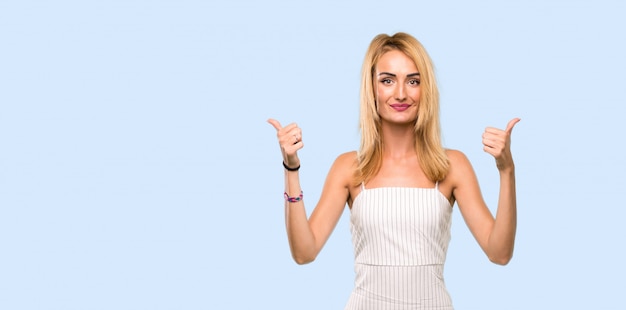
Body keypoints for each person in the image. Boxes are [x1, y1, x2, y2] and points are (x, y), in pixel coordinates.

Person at [268, 32, 519, 310]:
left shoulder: (452, 166)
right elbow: (304, 253)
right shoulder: (349, 168)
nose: (401, 93)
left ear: (426, 90)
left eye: (413, 81)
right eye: (387, 80)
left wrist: (506, 169)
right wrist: (291, 167)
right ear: (371, 88)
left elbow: (499, 253)